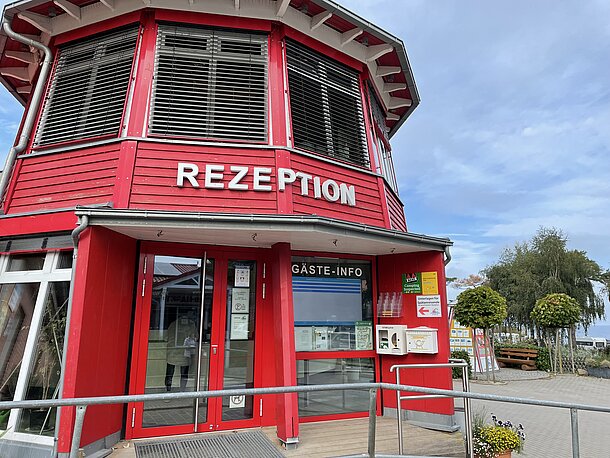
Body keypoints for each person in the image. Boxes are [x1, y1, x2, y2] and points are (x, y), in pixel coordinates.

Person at [165, 315, 197, 392]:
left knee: (170, 373)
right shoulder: (191, 324)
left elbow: (166, 337)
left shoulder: (173, 324)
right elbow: (196, 337)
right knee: (183, 374)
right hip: (184, 352)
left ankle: (168, 390)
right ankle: (182, 391)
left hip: (173, 352)